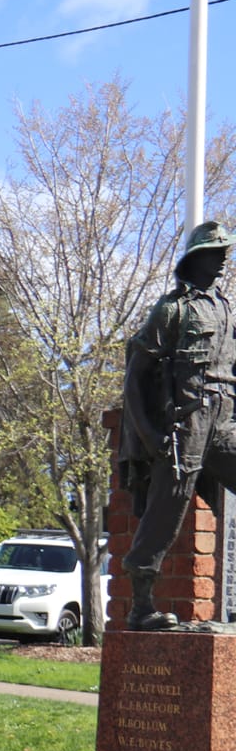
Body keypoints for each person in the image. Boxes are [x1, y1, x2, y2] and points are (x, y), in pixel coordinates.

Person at [118, 219, 236, 630]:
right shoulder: (173, 309)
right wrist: (148, 433)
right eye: (217, 252)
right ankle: (141, 607)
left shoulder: (224, 307)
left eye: (226, 251)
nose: (224, 258)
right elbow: (135, 376)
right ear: (197, 257)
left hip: (223, 419)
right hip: (186, 423)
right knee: (167, 507)